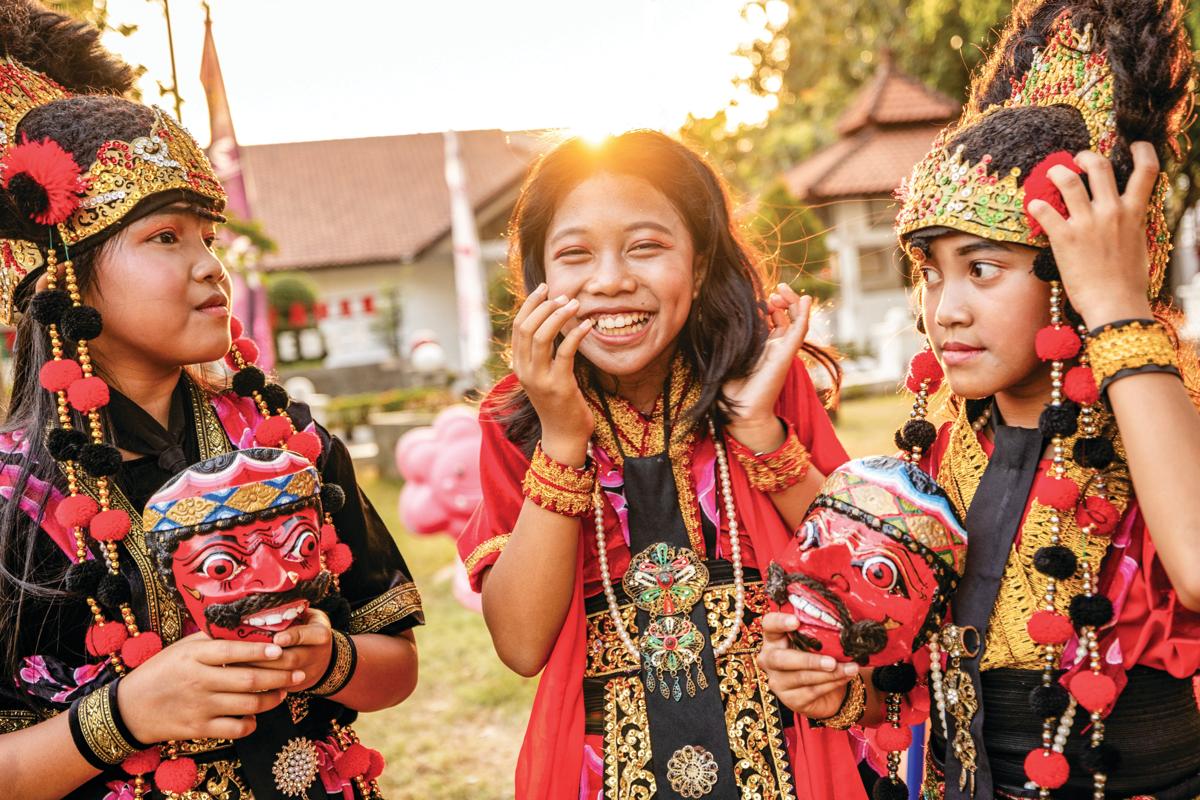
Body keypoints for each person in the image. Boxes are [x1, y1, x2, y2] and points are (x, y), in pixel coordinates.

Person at [758, 1, 1200, 798]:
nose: (944, 309)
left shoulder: (1164, 418)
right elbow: (927, 682)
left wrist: (1118, 310)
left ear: (1075, 268)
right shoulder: (944, 451)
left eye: (982, 269)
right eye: (929, 272)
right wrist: (837, 691)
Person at [0, 4, 421, 798]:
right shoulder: (15, 499)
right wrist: (124, 715)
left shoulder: (289, 443)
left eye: (208, 237)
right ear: (63, 274)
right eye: (166, 238)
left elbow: (394, 667)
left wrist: (328, 661)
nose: (209, 268)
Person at [457, 129, 865, 799]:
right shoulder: (514, 418)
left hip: (791, 758)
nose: (613, 280)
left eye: (646, 246)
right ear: (541, 280)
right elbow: (523, 646)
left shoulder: (761, 377)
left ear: (700, 266)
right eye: (575, 255)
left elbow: (857, 582)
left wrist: (759, 429)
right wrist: (561, 437)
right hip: (602, 769)